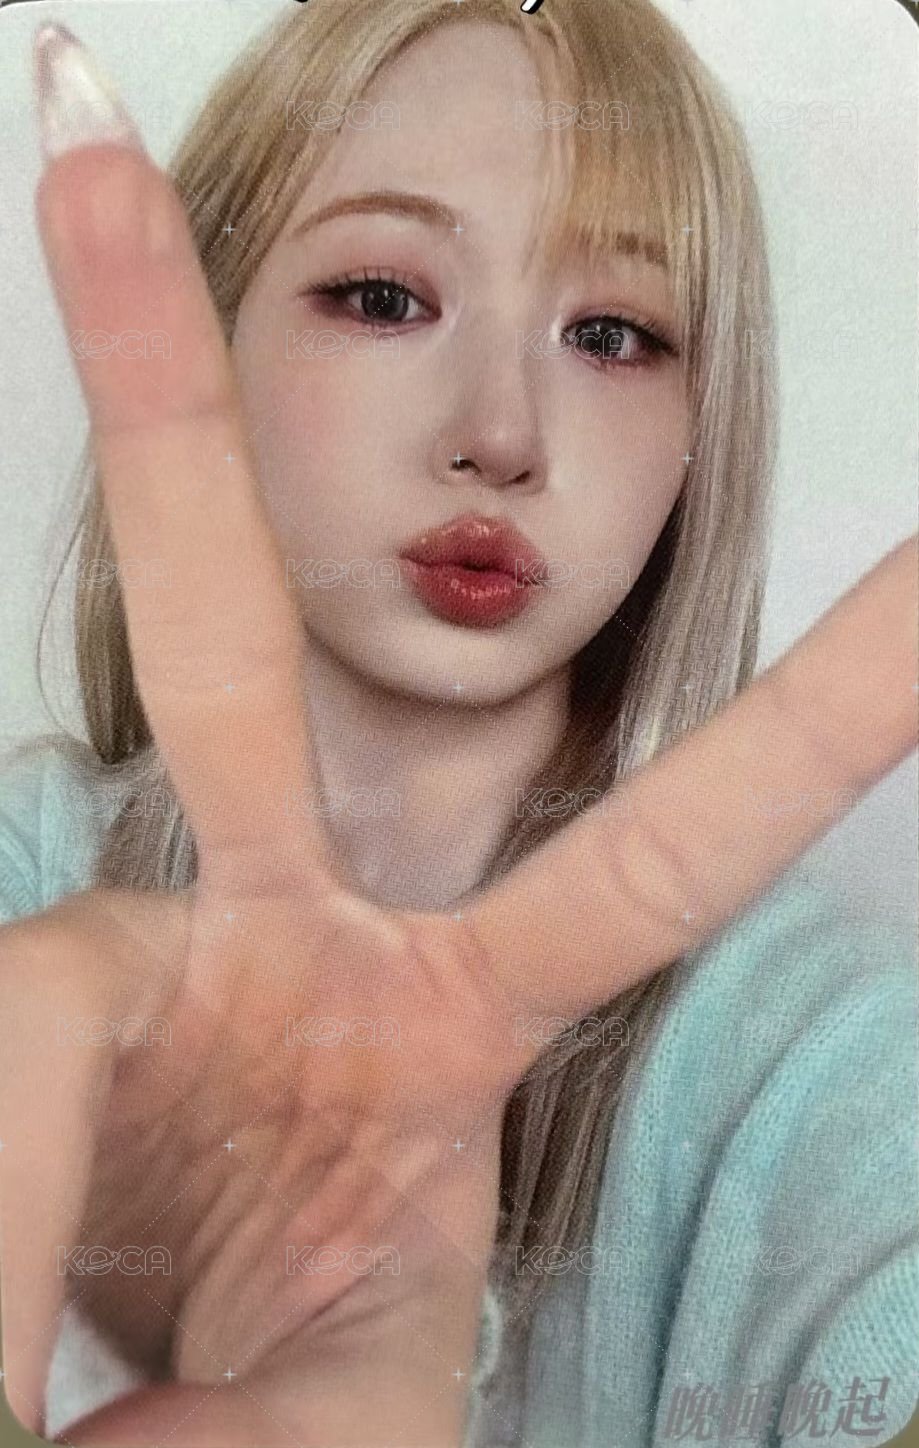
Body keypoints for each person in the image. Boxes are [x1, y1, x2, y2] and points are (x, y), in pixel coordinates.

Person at [0, 1, 916, 1445]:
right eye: (384, 298)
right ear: (212, 327)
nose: (502, 433)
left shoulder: (835, 1060)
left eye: (611, 333)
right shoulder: (24, 885)